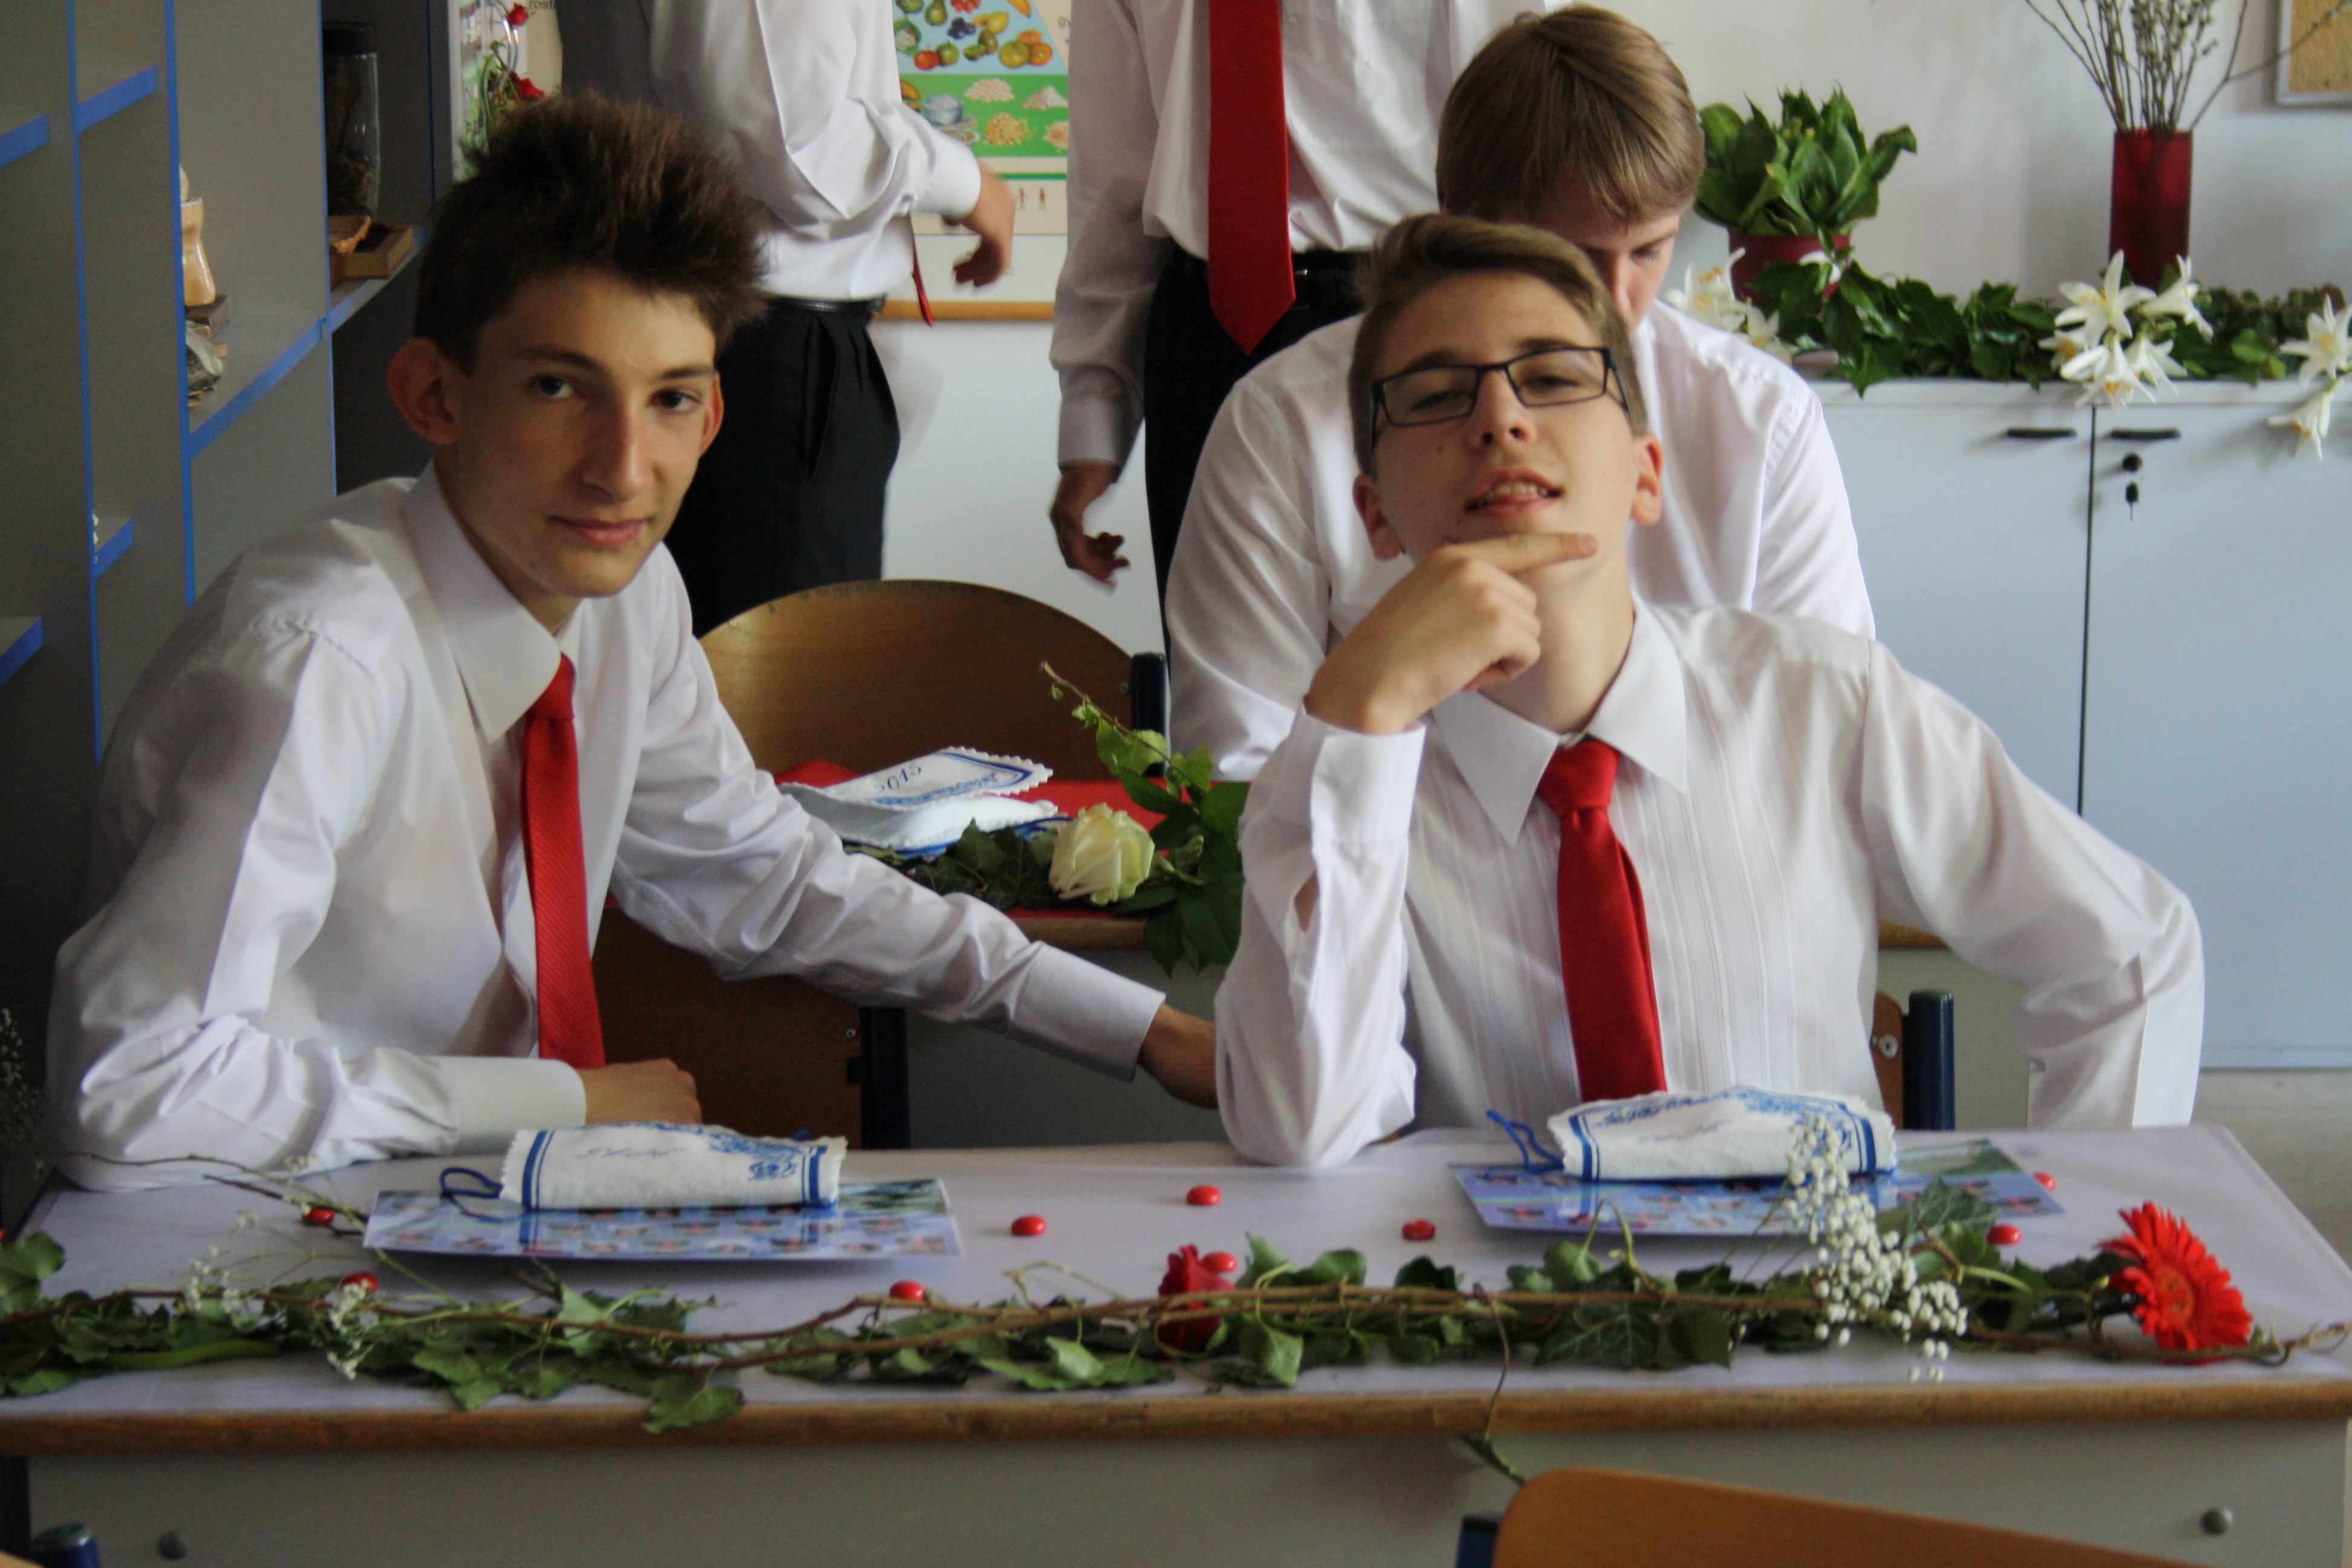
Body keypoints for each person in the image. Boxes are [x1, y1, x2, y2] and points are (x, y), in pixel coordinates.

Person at [48, 99, 1212, 1192]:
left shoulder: (625, 597)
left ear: (714, 416)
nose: (622, 469)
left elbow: (767, 878)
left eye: (670, 400)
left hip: (462, 1214)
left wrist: (1145, 1031)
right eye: (561, 389)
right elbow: (123, 1093)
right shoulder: (324, 660)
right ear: (433, 395)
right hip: (240, 1225)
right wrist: (553, 1103)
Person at [1215, 214, 2201, 1169]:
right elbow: (1300, 1128)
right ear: (1374, 515)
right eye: (1435, 395)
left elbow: (2132, 956)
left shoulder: (1825, 703)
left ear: (1646, 473)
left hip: (1814, 1268)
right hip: (1492, 1284)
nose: (1500, 419)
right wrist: (1359, 717)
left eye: (1552, 377)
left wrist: (2092, 1224)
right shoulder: (1344, 778)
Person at [1165, 7, 1875, 780]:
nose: (1616, 305)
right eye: (1572, 258)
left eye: (1650, 252)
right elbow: (1235, 773)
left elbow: (1829, 734)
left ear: (1648, 470)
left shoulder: (1762, 418)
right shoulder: (1282, 425)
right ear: (1461, 229)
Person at [1046, 0, 1561, 599]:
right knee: (1221, 633)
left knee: (1442, 621)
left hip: (1419, 311)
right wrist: (1095, 412)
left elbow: (1530, 111)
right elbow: (1110, 173)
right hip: (1209, 329)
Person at [560, 1, 1018, 632]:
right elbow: (794, 146)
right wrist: (968, 184)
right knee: (775, 678)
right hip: (757, 355)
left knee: (686, 661)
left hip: (712, 331)